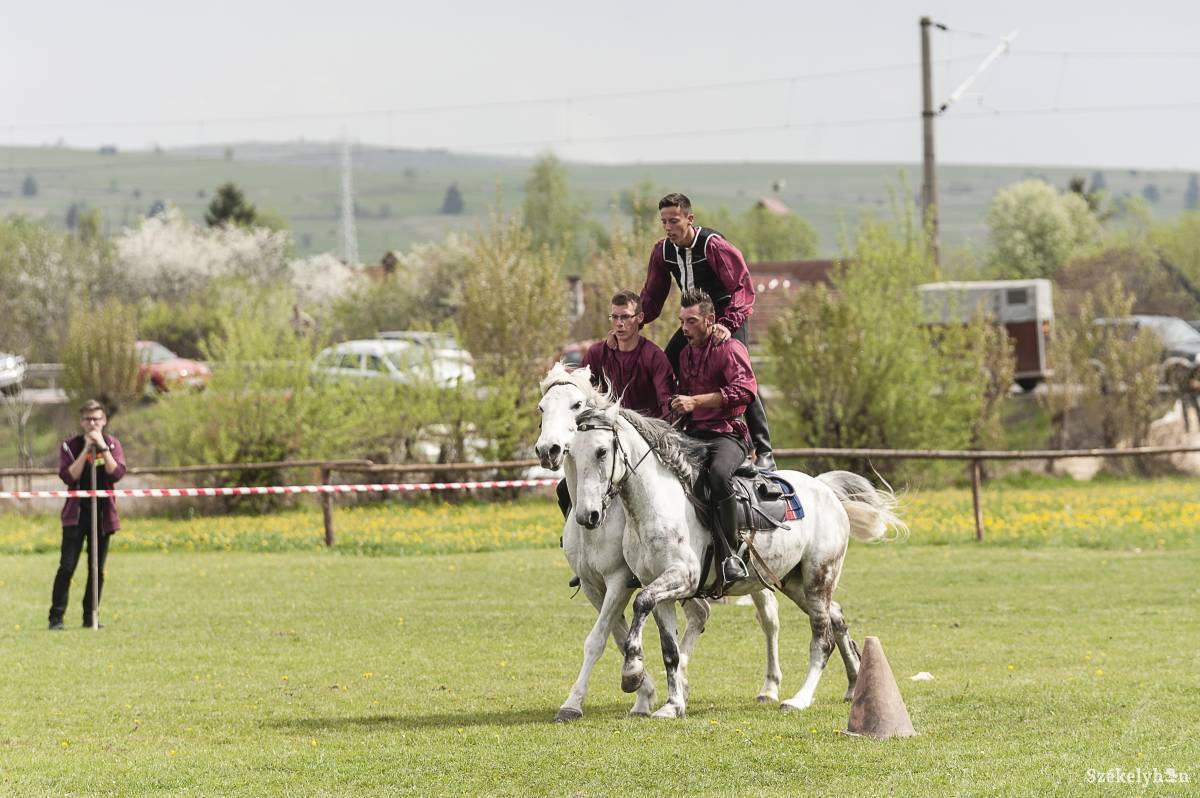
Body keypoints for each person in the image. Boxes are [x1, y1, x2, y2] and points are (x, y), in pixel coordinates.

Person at [636, 192, 777, 471]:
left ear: (690, 219)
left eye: (674, 221)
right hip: (693, 320)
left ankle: (764, 450)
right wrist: (635, 320)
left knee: (739, 376)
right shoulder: (662, 252)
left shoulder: (714, 246)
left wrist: (726, 324)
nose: (668, 228)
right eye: (663, 222)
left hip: (726, 316)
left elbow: (742, 286)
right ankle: (671, 433)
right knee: (666, 362)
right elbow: (652, 295)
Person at [556, 290, 676, 518]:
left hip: (643, 445)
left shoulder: (654, 357)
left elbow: (666, 407)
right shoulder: (597, 354)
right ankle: (576, 541)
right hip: (606, 442)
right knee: (564, 489)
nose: (619, 324)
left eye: (625, 317)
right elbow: (581, 395)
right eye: (615, 317)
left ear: (639, 318)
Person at [670, 288, 756, 583]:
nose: (684, 328)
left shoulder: (730, 349)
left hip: (727, 435)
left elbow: (745, 391)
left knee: (718, 475)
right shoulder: (683, 354)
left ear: (710, 320)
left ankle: (730, 553)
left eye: (691, 321)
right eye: (682, 321)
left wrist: (696, 402)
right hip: (692, 434)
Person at [48, 399, 127, 630]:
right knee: (67, 566)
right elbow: (68, 476)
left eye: (97, 419)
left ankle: (90, 616)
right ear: (81, 421)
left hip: (102, 516)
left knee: (96, 570)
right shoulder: (69, 446)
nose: (92, 423)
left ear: (104, 420)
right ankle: (56, 618)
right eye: (88, 419)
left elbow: (117, 473)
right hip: (76, 515)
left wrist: (101, 446)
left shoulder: (112, 444)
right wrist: (85, 450)